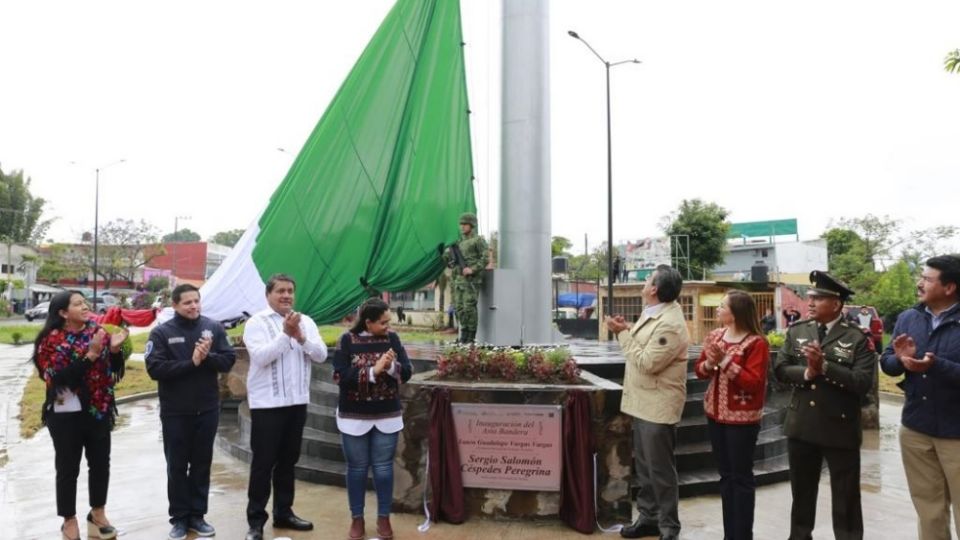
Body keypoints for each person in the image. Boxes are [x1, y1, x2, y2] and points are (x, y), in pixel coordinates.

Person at [773, 271, 875, 540]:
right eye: (811, 297)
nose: (811, 302)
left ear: (837, 304)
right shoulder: (798, 331)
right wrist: (807, 373)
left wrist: (825, 367)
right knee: (802, 494)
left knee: (846, 497)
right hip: (802, 424)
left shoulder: (857, 338)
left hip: (839, 426)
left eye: (818, 298)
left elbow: (863, 382)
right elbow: (781, 369)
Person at [32, 290, 128, 540]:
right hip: (65, 415)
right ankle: (69, 520)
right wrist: (91, 356)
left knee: (99, 464)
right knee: (67, 468)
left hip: (98, 410)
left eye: (84, 303)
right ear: (63, 313)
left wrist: (115, 352)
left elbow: (112, 369)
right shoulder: (50, 341)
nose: (85, 307)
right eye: (78, 304)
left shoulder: (98, 332)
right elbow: (57, 380)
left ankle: (97, 514)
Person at [604, 264, 689, 540]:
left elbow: (648, 362)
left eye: (648, 279)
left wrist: (622, 334)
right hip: (643, 403)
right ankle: (649, 518)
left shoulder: (671, 324)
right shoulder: (655, 313)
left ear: (654, 289)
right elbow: (645, 346)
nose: (644, 282)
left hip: (658, 406)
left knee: (660, 472)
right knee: (645, 468)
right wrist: (626, 328)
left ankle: (669, 527)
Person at [145, 284, 236, 540]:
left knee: (201, 464)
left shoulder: (213, 328)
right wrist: (192, 363)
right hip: (175, 412)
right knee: (176, 466)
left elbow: (228, 359)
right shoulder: (162, 333)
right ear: (174, 305)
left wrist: (206, 358)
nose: (194, 306)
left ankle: (198, 515)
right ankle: (180, 519)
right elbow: (155, 369)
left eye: (196, 301)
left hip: (207, 409)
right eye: (187, 302)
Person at [880, 255, 960, 539]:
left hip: (956, 433)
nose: (919, 283)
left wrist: (934, 365)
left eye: (927, 279)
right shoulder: (909, 317)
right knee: (929, 509)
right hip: (916, 428)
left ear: (949, 287)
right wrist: (901, 360)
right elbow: (887, 360)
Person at [243, 274, 328, 540]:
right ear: (269, 294)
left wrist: (301, 337)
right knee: (263, 464)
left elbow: (321, 355)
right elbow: (261, 357)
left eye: (290, 290)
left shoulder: (307, 322)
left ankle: (284, 513)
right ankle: (256, 521)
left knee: (288, 462)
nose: (287, 296)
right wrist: (285, 335)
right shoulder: (256, 323)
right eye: (280, 291)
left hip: (297, 402)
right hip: (267, 405)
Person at [333, 298, 413, 540]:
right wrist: (372, 371)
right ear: (368, 322)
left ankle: (384, 518)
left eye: (389, 322)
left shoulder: (393, 339)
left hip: (387, 414)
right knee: (356, 469)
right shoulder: (347, 340)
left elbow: (407, 371)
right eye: (383, 322)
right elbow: (339, 376)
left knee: (383, 469)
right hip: (354, 416)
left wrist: (389, 367)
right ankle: (357, 519)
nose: (388, 326)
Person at [695, 291, 770, 540]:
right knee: (726, 477)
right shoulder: (715, 336)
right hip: (715, 415)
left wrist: (725, 360)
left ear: (735, 312)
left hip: (742, 421)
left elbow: (753, 382)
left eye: (722, 306)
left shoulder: (756, 343)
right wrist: (709, 364)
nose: (717, 309)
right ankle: (730, 535)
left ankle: (743, 535)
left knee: (741, 478)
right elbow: (701, 370)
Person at [442, 212, 488, 343]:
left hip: (471, 280)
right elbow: (449, 260)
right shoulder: (457, 242)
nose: (462, 227)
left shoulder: (478, 240)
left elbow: (485, 258)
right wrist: (444, 253)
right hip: (457, 280)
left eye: (465, 224)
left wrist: (472, 269)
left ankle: (471, 337)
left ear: (471, 225)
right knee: (459, 308)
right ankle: (463, 335)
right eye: (461, 224)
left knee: (469, 307)